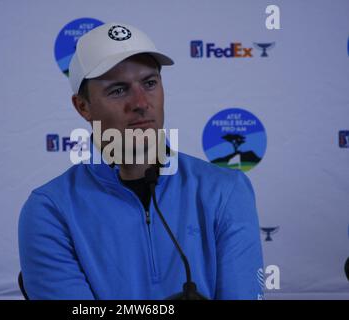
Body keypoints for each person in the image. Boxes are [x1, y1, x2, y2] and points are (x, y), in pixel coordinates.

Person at [18, 22, 264, 300]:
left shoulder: (226, 190)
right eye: (118, 90)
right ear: (83, 107)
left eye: (149, 83)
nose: (140, 102)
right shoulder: (49, 210)